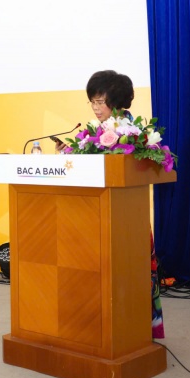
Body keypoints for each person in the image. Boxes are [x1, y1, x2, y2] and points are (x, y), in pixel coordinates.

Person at [62, 70, 165, 339]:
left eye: (101, 102)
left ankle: (135, 331)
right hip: (96, 217)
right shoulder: (93, 133)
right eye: (92, 102)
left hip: (127, 219)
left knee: (130, 275)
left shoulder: (135, 134)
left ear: (118, 101)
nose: (96, 108)